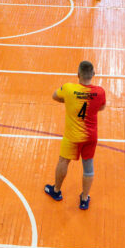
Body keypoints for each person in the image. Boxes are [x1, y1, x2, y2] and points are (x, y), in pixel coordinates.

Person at [44, 60, 106, 209]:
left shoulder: (68, 88)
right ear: (93, 74)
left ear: (78, 74)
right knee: (88, 167)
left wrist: (70, 101)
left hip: (71, 137)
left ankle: (56, 191)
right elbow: (102, 107)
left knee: (63, 161)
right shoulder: (100, 92)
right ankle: (84, 199)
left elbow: (54, 96)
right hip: (90, 136)